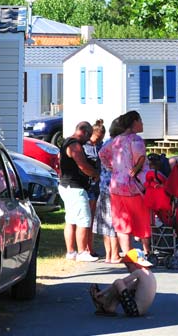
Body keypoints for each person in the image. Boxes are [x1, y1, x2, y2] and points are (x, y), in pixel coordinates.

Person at [99, 110, 152, 258]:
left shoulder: (115, 140)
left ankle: (128, 255)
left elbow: (102, 154)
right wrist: (135, 169)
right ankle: (147, 252)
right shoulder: (135, 139)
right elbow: (140, 158)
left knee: (122, 222)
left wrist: (113, 167)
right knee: (142, 220)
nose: (142, 123)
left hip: (116, 185)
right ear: (134, 122)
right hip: (133, 186)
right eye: (140, 120)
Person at [61, 121, 101, 261]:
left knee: (71, 220)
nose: (88, 139)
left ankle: (71, 252)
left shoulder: (67, 142)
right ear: (83, 132)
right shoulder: (74, 145)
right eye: (88, 135)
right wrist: (95, 174)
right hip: (75, 187)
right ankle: (82, 252)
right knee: (84, 219)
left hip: (67, 186)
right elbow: (83, 165)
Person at [89, 248, 157, 317]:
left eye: (128, 266)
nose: (128, 270)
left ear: (135, 264)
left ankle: (103, 300)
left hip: (134, 310)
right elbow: (129, 286)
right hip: (140, 311)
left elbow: (119, 282)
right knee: (126, 286)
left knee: (119, 282)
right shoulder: (149, 273)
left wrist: (102, 292)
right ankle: (110, 307)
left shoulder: (139, 272)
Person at [86, 120, 116, 262]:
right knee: (89, 217)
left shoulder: (101, 146)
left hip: (99, 185)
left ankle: (93, 248)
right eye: (96, 138)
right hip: (91, 184)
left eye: (100, 139)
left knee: (97, 217)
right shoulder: (85, 147)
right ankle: (87, 248)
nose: (98, 141)